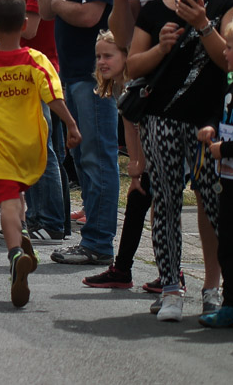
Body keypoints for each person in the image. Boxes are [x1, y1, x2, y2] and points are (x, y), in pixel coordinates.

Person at [125, 0, 233, 321]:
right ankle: (171, 286)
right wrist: (162, 46)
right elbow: (132, 66)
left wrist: (204, 24)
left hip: (212, 123)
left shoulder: (226, 4)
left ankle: (214, 288)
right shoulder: (155, 10)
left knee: (214, 205)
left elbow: (232, 62)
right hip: (162, 120)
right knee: (166, 201)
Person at [0, 0, 81, 308]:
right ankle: (22, 236)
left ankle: (15, 253)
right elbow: (54, 97)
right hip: (32, 146)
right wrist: (72, 126)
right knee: (20, 195)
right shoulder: (37, 60)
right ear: (24, 24)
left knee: (8, 203)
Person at [37, 0, 124, 267]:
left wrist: (58, 3)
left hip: (94, 75)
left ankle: (99, 242)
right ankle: (93, 239)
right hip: (72, 73)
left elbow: (89, 16)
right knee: (82, 156)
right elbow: (43, 9)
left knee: (96, 156)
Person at [11, 0, 67, 240]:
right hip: (43, 67)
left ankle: (48, 221)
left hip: (38, 68)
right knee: (45, 148)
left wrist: (0, 25)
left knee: (39, 149)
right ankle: (46, 219)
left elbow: (30, 30)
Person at [82, 31, 152, 288]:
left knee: (156, 209)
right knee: (136, 203)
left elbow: (142, 129)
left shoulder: (139, 85)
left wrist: (140, 167)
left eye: (108, 56)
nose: (102, 62)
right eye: (98, 56)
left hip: (161, 150)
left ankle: (168, 274)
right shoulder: (119, 86)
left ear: (127, 56)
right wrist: (135, 170)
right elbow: (130, 129)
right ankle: (122, 270)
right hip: (147, 153)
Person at [194, 17, 233, 329]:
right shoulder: (232, 86)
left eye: (230, 46)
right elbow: (221, 114)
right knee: (229, 244)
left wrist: (225, 149)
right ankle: (232, 303)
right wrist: (211, 127)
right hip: (230, 181)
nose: (224, 51)